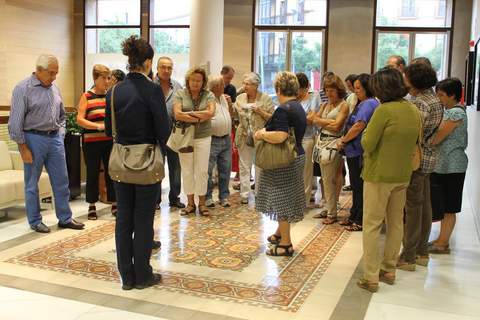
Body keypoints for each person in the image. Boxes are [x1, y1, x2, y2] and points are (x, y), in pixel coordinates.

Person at [105, 35, 170, 290]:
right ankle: (143, 275)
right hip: (146, 163)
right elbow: (162, 130)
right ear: (148, 62)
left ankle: (126, 277)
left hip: (120, 161)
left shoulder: (114, 90)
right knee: (143, 219)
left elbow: (109, 127)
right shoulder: (152, 89)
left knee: (123, 219)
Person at [357, 67, 421, 293]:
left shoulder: (383, 111)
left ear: (381, 88)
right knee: (395, 223)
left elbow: (367, 143)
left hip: (379, 176)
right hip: (403, 174)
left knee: (372, 225)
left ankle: (371, 276)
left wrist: (365, 134)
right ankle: (389, 269)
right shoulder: (412, 109)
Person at [8, 54, 85, 233]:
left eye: (56, 73)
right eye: (51, 73)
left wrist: (61, 133)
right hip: (33, 139)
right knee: (32, 183)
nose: (54, 77)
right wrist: (23, 147)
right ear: (39, 70)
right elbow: (15, 122)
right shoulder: (22, 89)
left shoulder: (54, 88)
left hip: (54, 139)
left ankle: (65, 218)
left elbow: (62, 115)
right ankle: (35, 221)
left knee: (61, 180)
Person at [397, 62, 443, 271]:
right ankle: (422, 252)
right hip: (429, 158)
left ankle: (409, 256)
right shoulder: (433, 98)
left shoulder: (421, 103)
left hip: (417, 159)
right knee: (424, 206)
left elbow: (413, 133)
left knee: (414, 208)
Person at [255, 71, 306, 256]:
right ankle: (279, 234)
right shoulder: (297, 107)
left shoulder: (284, 109)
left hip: (284, 160)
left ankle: (286, 244)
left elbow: (281, 135)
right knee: (287, 194)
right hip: (297, 155)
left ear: (278, 89)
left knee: (281, 198)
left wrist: (261, 134)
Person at [429, 78, 468, 254]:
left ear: (452, 95)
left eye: (442, 94)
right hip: (443, 164)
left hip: (453, 165)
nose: (439, 98)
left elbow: (438, 136)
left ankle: (443, 243)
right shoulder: (449, 111)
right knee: (443, 204)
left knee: (450, 206)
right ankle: (441, 239)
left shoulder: (455, 113)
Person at [337, 74, 379, 231]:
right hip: (353, 150)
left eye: (358, 88)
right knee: (355, 185)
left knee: (359, 186)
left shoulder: (369, 104)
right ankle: (354, 214)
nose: (356, 91)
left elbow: (359, 125)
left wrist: (344, 140)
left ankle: (359, 218)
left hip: (358, 150)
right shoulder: (363, 103)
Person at [173, 67, 216, 216]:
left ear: (203, 82)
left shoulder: (209, 94)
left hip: (203, 137)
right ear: (188, 80)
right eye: (193, 80)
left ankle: (202, 203)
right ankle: (190, 203)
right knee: (187, 170)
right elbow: (177, 114)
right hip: (185, 136)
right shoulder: (180, 93)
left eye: (199, 80)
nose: (195, 83)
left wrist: (189, 114)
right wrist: (200, 116)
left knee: (202, 170)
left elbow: (211, 113)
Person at [76, 65, 117, 220]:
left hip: (108, 141)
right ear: (95, 78)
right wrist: (98, 126)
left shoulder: (110, 96)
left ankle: (114, 203)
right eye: (104, 78)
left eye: (108, 78)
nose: (107, 81)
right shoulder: (86, 96)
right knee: (92, 173)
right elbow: (80, 119)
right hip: (91, 142)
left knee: (111, 172)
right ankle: (91, 205)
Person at [312, 74, 349, 224]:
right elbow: (314, 120)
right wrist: (327, 122)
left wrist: (322, 121)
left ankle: (332, 213)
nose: (329, 94)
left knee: (330, 179)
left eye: (332, 90)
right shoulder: (325, 104)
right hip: (321, 142)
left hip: (334, 144)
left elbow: (337, 126)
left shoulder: (343, 105)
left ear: (338, 90)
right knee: (324, 179)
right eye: (326, 90)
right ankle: (328, 208)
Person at [234, 72, 274, 204]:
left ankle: (259, 193)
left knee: (260, 166)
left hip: (260, 136)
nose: (245, 86)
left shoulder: (266, 98)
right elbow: (234, 115)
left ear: (256, 85)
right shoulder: (240, 98)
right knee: (244, 166)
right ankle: (244, 194)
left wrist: (260, 111)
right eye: (244, 83)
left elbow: (272, 118)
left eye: (248, 84)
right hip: (244, 135)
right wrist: (229, 105)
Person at [154, 56, 185, 209]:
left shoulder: (178, 87)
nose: (166, 70)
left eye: (169, 67)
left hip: (174, 135)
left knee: (176, 168)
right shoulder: (150, 86)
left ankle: (175, 197)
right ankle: (156, 200)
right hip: (155, 136)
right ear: (157, 68)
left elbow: (184, 108)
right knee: (157, 168)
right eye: (163, 67)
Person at [205, 76, 233, 208]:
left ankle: (224, 197)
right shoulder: (207, 99)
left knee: (225, 170)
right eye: (221, 85)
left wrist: (231, 104)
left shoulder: (224, 98)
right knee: (208, 171)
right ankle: (208, 197)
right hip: (213, 139)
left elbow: (230, 115)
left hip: (226, 139)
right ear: (215, 87)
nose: (224, 87)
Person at [296, 73, 320, 208]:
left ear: (306, 88)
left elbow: (311, 119)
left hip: (307, 138)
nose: (297, 92)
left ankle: (303, 202)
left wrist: (296, 118)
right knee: (294, 172)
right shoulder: (293, 97)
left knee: (306, 172)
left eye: (299, 89)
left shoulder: (313, 96)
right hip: (293, 138)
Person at [222, 65, 240, 183]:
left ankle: (233, 172)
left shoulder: (232, 89)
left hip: (228, 122)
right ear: (222, 74)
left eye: (231, 78)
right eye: (228, 78)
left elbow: (233, 109)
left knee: (232, 149)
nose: (229, 81)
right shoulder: (213, 86)